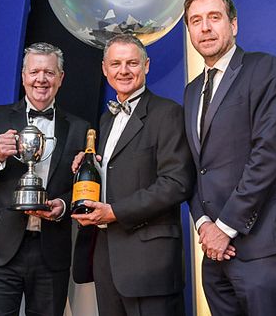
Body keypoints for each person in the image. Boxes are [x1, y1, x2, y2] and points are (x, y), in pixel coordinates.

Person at [182, 0, 276, 316]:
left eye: (214, 17)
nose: (205, 28)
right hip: (214, 252)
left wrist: (224, 228)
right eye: (195, 21)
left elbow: (267, 155)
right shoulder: (191, 91)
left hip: (264, 242)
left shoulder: (264, 69)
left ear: (234, 24)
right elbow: (194, 167)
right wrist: (204, 225)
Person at [0, 42, 89, 316]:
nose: (41, 79)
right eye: (35, 72)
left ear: (61, 78)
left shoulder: (80, 128)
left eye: (49, 73)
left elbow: (82, 187)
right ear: (23, 76)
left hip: (51, 251)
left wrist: (64, 206)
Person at [71, 35, 195, 316]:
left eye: (132, 63)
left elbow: (176, 183)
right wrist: (87, 165)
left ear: (147, 66)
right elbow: (117, 175)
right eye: (115, 63)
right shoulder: (105, 120)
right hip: (107, 261)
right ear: (104, 69)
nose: (123, 71)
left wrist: (115, 212)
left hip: (150, 265)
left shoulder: (168, 113)